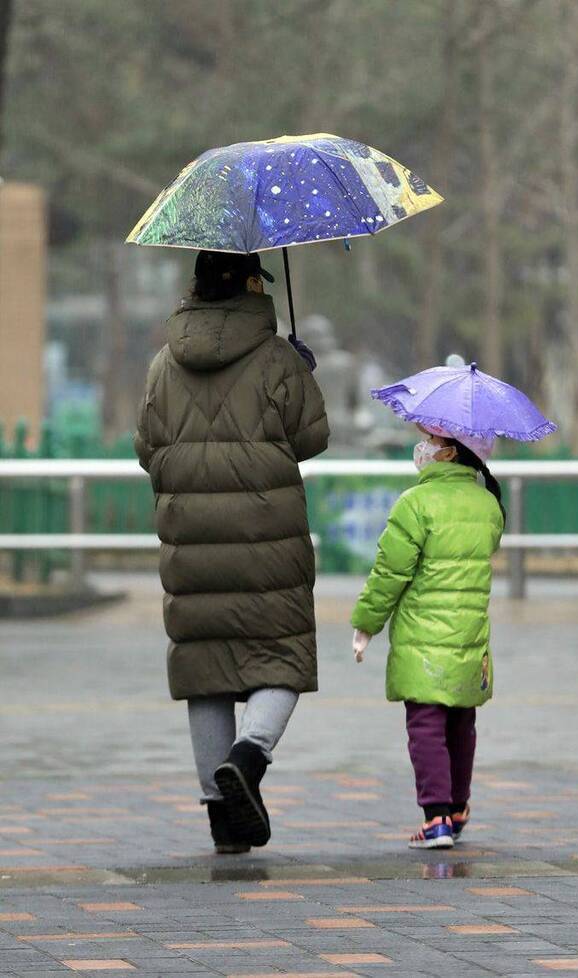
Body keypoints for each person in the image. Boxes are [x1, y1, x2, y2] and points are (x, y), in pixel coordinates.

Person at [134, 250, 329, 854]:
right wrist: (302, 371)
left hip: (190, 543)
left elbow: (147, 448)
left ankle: (223, 823)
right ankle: (249, 757)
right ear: (250, 286)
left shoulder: (164, 364)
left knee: (206, 670)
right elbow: (311, 438)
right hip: (268, 540)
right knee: (282, 658)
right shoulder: (275, 359)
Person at [350, 425, 504, 849]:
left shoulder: (415, 505)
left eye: (433, 441)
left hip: (423, 641)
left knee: (426, 727)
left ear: (451, 453)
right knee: (461, 724)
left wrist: (366, 624)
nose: (425, 447)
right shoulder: (489, 506)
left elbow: (389, 573)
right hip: (470, 640)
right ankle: (456, 809)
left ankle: (435, 818)